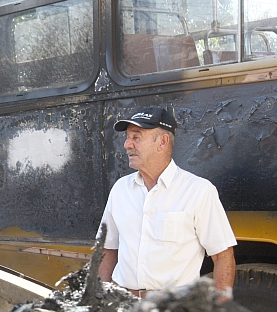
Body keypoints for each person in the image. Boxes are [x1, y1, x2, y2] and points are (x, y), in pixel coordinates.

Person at [98, 107, 237, 299]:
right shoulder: (120, 190)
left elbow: (222, 256)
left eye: (136, 137)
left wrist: (219, 309)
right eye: (127, 138)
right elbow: (107, 250)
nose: (127, 145)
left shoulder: (198, 191)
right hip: (125, 307)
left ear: (162, 142)